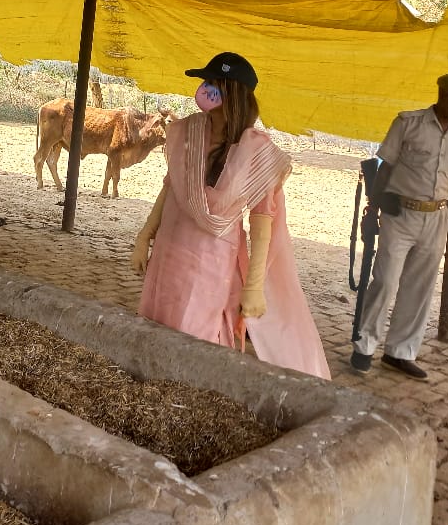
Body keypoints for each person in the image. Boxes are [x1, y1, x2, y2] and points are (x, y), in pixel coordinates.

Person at [132, 51, 331, 380]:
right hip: (169, 252)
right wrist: (145, 236)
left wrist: (253, 287)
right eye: (205, 83)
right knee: (158, 325)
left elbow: (262, 223)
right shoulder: (189, 132)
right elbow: (170, 188)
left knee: (196, 338)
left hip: (210, 265)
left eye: (213, 83)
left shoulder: (256, 150)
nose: (204, 90)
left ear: (232, 92)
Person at [350, 72, 448, 380]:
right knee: (385, 281)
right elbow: (385, 167)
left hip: (437, 218)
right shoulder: (408, 123)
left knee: (419, 288)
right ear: (443, 94)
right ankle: (364, 347)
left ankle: (399, 353)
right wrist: (372, 209)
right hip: (400, 215)